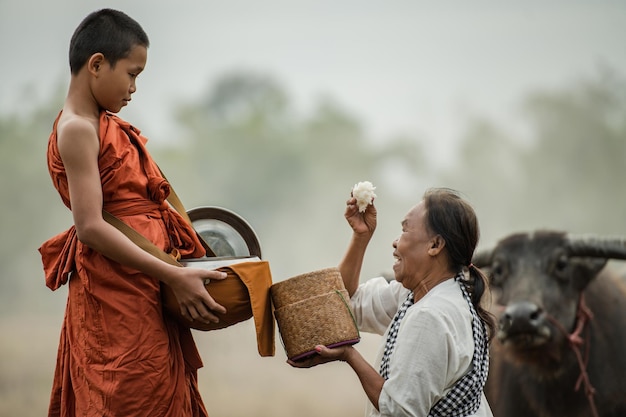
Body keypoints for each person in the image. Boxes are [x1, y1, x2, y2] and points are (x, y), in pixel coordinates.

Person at [38, 9, 228, 417]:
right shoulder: (76, 129)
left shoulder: (105, 123)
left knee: (161, 389)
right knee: (126, 394)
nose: (134, 88)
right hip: (115, 292)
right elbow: (89, 226)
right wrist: (174, 275)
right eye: (132, 73)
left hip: (147, 282)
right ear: (96, 64)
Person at [290, 187, 496, 417]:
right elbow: (345, 304)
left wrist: (349, 355)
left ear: (435, 245)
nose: (395, 243)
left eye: (405, 230)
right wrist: (361, 236)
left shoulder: (430, 316)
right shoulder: (426, 295)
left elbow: (400, 411)